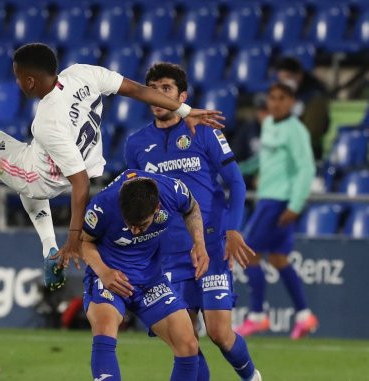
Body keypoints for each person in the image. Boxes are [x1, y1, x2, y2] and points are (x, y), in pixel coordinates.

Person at [0, 43, 224, 291]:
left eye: (16, 77)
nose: (15, 83)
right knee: (26, 159)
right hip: (83, 162)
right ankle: (47, 250)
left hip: (51, 176)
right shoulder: (83, 74)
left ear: (28, 81)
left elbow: (80, 185)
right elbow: (137, 90)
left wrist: (73, 241)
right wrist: (183, 110)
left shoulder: (48, 121)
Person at [124, 63, 260, 381]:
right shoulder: (136, 144)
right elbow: (134, 198)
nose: (158, 96)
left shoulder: (204, 132)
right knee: (184, 341)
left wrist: (233, 230)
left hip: (210, 246)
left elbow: (236, 183)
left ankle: (253, 378)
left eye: (166, 89)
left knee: (219, 333)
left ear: (182, 96)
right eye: (152, 90)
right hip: (167, 252)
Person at [80, 170, 212, 381]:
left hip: (150, 279)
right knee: (105, 326)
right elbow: (83, 242)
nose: (134, 231)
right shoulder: (103, 205)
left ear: (157, 208)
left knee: (188, 344)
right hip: (110, 276)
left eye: (141, 225)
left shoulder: (172, 191)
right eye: (129, 224)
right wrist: (104, 272)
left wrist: (199, 242)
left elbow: (192, 208)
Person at [236, 82, 318, 340]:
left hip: (279, 201)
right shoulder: (270, 124)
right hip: (267, 199)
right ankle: (305, 316)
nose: (276, 102)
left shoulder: (297, 131)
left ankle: (257, 316)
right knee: (279, 259)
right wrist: (237, 170)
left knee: (248, 253)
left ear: (292, 101)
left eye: (282, 98)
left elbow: (307, 169)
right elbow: (263, 160)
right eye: (272, 98)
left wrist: (295, 205)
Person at [275, 56, 330, 159]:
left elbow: (312, 132)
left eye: (288, 77)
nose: (285, 82)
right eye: (282, 79)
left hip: (308, 154)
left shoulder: (314, 98)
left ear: (299, 76)